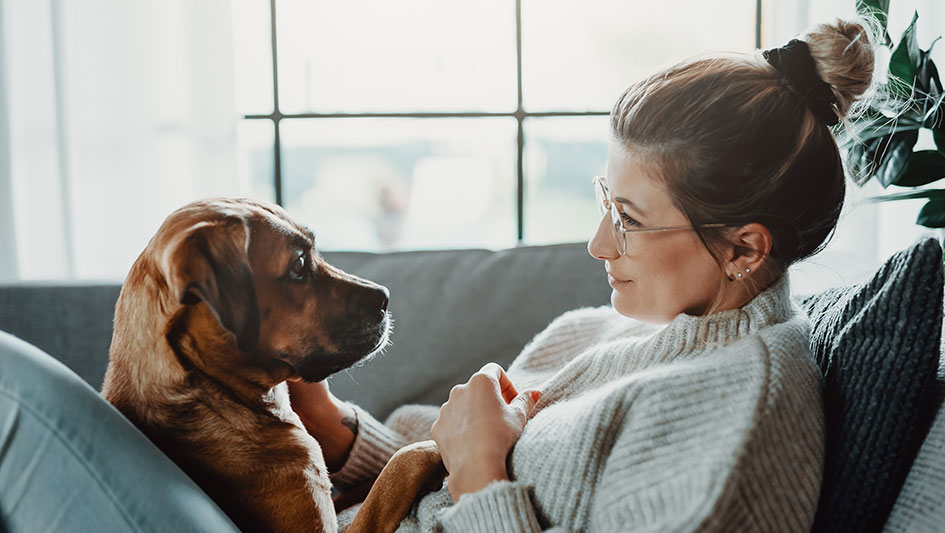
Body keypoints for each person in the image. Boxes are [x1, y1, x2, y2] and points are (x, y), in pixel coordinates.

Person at [289, 18, 876, 532]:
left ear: (744, 249)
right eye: (605, 200)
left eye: (628, 219)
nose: (598, 245)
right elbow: (435, 478)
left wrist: (479, 471)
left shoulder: (739, 428)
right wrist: (335, 428)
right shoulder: (603, 331)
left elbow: (467, 477)